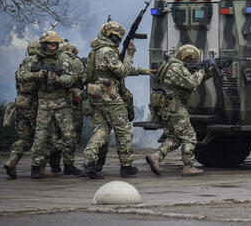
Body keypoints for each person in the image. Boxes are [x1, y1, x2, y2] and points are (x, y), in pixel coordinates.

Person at [82, 21, 151, 179]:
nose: (117, 40)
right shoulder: (108, 51)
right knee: (124, 130)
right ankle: (126, 166)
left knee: (101, 130)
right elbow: (122, 71)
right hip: (109, 94)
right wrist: (131, 54)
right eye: (116, 37)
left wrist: (143, 71)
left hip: (97, 94)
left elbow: (113, 70)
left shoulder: (97, 50)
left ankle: (89, 163)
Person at [17, 31, 81, 179]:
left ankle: (69, 165)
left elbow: (72, 77)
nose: (54, 47)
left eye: (56, 44)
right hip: (44, 102)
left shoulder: (64, 59)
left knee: (70, 136)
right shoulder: (33, 60)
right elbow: (21, 75)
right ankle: (36, 167)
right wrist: (36, 75)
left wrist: (59, 79)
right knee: (41, 137)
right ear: (44, 44)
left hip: (62, 102)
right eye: (51, 44)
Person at [145, 44, 210, 176]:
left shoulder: (172, 65)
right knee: (190, 137)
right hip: (174, 107)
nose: (194, 62)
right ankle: (188, 166)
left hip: (167, 107)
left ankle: (156, 156)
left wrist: (208, 70)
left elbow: (188, 79)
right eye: (192, 60)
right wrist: (202, 71)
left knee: (175, 137)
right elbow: (191, 83)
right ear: (187, 57)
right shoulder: (176, 67)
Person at [3, 41, 40, 179]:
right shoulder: (38, 66)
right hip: (35, 105)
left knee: (24, 138)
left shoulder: (21, 67)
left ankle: (12, 159)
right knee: (41, 137)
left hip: (20, 104)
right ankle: (39, 167)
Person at [48, 41, 86, 173]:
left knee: (58, 133)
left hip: (55, 101)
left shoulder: (53, 60)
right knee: (72, 134)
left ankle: (55, 165)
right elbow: (84, 78)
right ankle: (67, 164)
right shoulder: (74, 61)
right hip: (73, 101)